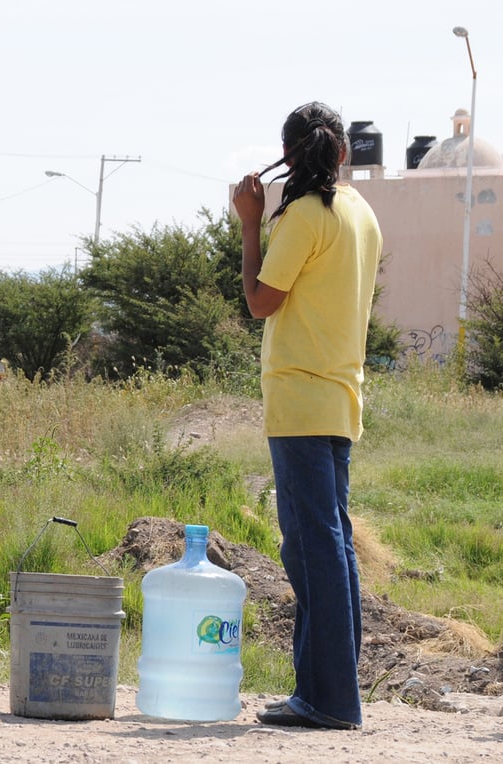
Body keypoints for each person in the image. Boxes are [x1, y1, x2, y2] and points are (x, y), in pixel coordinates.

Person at [232, 102, 382, 730]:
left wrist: (249, 226)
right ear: (342, 152)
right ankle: (331, 694)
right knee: (333, 544)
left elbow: (261, 302)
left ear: (288, 157)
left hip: (297, 399)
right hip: (342, 399)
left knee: (310, 547)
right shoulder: (361, 213)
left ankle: (327, 700)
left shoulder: (301, 215)